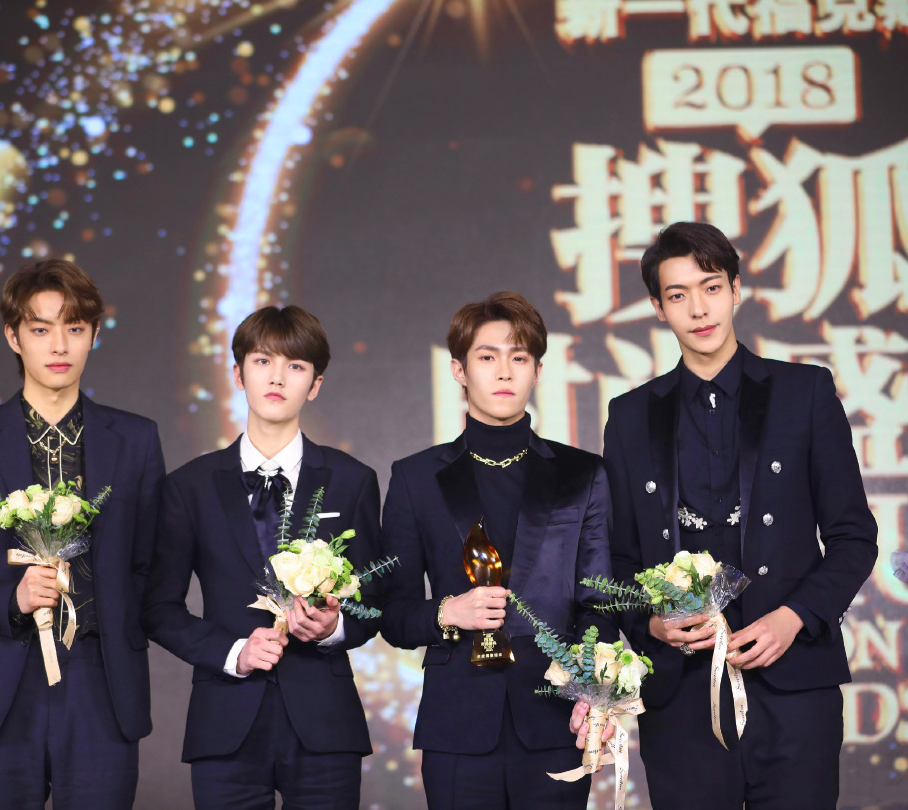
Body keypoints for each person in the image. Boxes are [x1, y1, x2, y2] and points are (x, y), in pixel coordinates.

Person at [602, 221, 878, 809]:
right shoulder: (629, 417)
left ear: (736, 290)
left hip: (795, 685)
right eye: (678, 295)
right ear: (658, 307)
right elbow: (617, 558)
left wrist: (794, 618)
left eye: (711, 287)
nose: (699, 309)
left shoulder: (804, 394)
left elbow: (854, 537)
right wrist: (651, 624)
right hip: (680, 698)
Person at [0, 259, 165, 809]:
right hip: (0, 684)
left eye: (74, 328)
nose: (59, 345)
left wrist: (107, 618)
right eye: (41, 328)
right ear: (14, 336)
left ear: (94, 335)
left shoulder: (137, 439)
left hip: (102, 683)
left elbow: (149, 565)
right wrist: (11, 599)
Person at [379, 291, 615, 809]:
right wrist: (448, 612)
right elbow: (392, 614)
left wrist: (595, 692)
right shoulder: (416, 478)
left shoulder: (582, 474)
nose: (504, 371)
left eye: (519, 357)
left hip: (556, 720)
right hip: (457, 724)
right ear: (459, 371)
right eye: (487, 357)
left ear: (538, 371)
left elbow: (600, 602)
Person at [141, 305, 380, 810]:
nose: (277, 378)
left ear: (315, 384)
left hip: (325, 723)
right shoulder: (189, 486)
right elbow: (157, 608)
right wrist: (234, 653)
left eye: (295, 366)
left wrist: (334, 627)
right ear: (238, 374)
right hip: (224, 722)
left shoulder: (352, 480)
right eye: (263, 361)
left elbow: (375, 600)